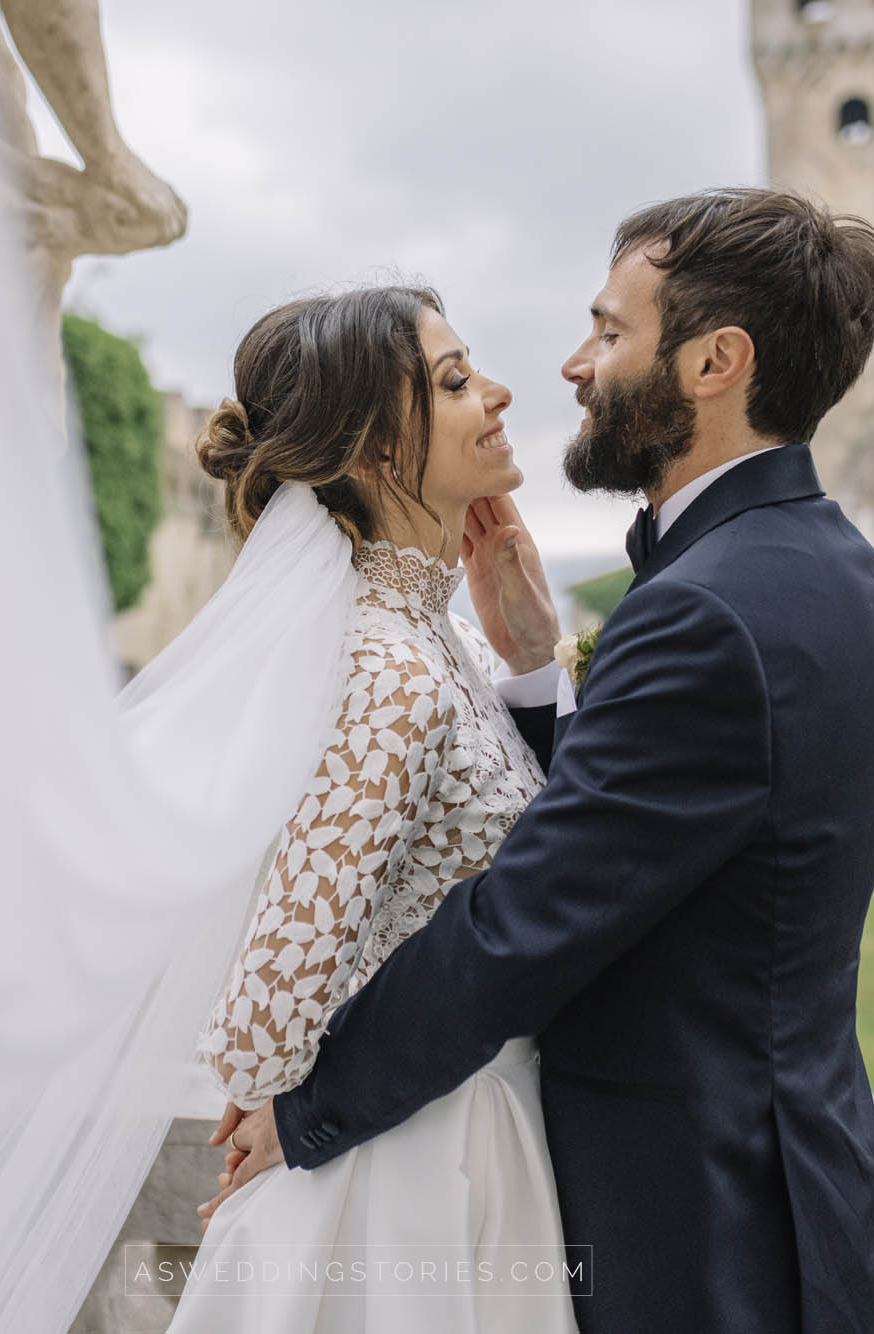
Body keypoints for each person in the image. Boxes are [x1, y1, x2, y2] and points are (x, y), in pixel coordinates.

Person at [205, 187, 874, 1334]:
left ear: (714, 362)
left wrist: (309, 1108)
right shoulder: (819, 564)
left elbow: (529, 914)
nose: (570, 367)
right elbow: (620, 837)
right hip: (750, 1173)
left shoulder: (705, 607)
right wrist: (534, 671)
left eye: (608, 330)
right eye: (454, 378)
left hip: (698, 1221)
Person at [164, 283, 581, 1333]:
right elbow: (260, 1024)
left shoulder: (440, 639)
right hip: (403, 1175)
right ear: (376, 451)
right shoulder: (390, 668)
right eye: (454, 381)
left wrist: (533, 658)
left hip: (459, 1132)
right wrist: (294, 1108)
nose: (497, 392)